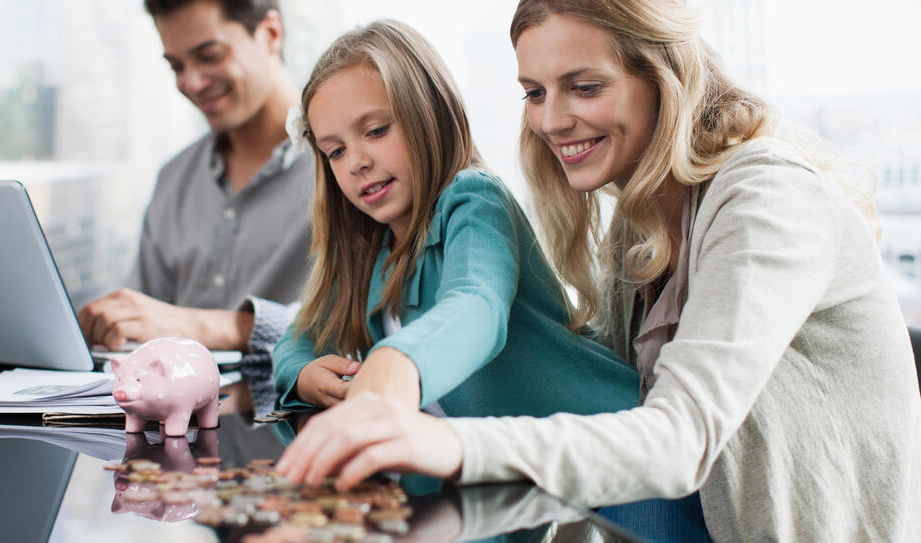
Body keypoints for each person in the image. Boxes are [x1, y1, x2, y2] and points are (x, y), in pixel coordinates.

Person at [275, 1, 921, 541]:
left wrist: (450, 441)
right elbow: (604, 436)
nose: (552, 119)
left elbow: (678, 439)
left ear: (663, 74)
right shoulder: (635, 235)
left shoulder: (768, 201)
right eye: (534, 93)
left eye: (583, 86)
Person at [271, 21, 637, 428]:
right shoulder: (368, 247)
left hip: (613, 450)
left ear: (430, 115)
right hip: (511, 480)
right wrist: (303, 375)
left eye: (376, 131)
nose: (356, 161)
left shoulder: (474, 199)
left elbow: (476, 306)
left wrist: (399, 363)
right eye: (336, 151)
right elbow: (300, 335)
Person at [77, 0, 313, 415]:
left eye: (209, 56)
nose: (191, 81)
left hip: (300, 448)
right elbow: (143, 337)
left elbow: (370, 328)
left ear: (271, 34)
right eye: (176, 66)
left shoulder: (348, 169)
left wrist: (199, 326)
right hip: (176, 458)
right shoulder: (173, 179)